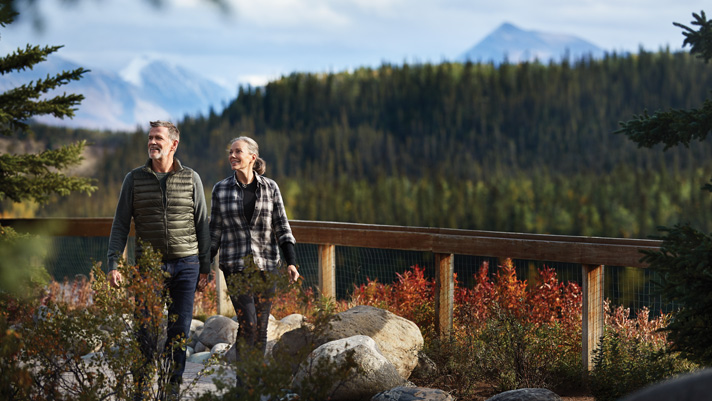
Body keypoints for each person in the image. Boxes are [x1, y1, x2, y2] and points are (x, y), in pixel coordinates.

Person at [106, 120, 211, 399]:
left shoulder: (191, 178)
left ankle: (170, 393)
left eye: (158, 138)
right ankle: (140, 392)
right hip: (148, 268)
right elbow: (120, 225)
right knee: (145, 331)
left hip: (187, 265)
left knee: (178, 334)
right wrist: (113, 264)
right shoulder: (134, 179)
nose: (152, 142)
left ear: (173, 144)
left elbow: (202, 224)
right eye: (150, 138)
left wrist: (206, 267)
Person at [209, 136, 299, 370]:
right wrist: (204, 267)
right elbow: (214, 231)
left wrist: (291, 262)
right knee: (248, 323)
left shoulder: (270, 188)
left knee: (260, 328)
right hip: (235, 267)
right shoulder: (221, 189)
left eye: (237, 152)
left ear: (252, 157)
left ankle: (252, 385)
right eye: (230, 152)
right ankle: (243, 386)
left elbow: (281, 225)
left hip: (267, 266)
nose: (232, 156)